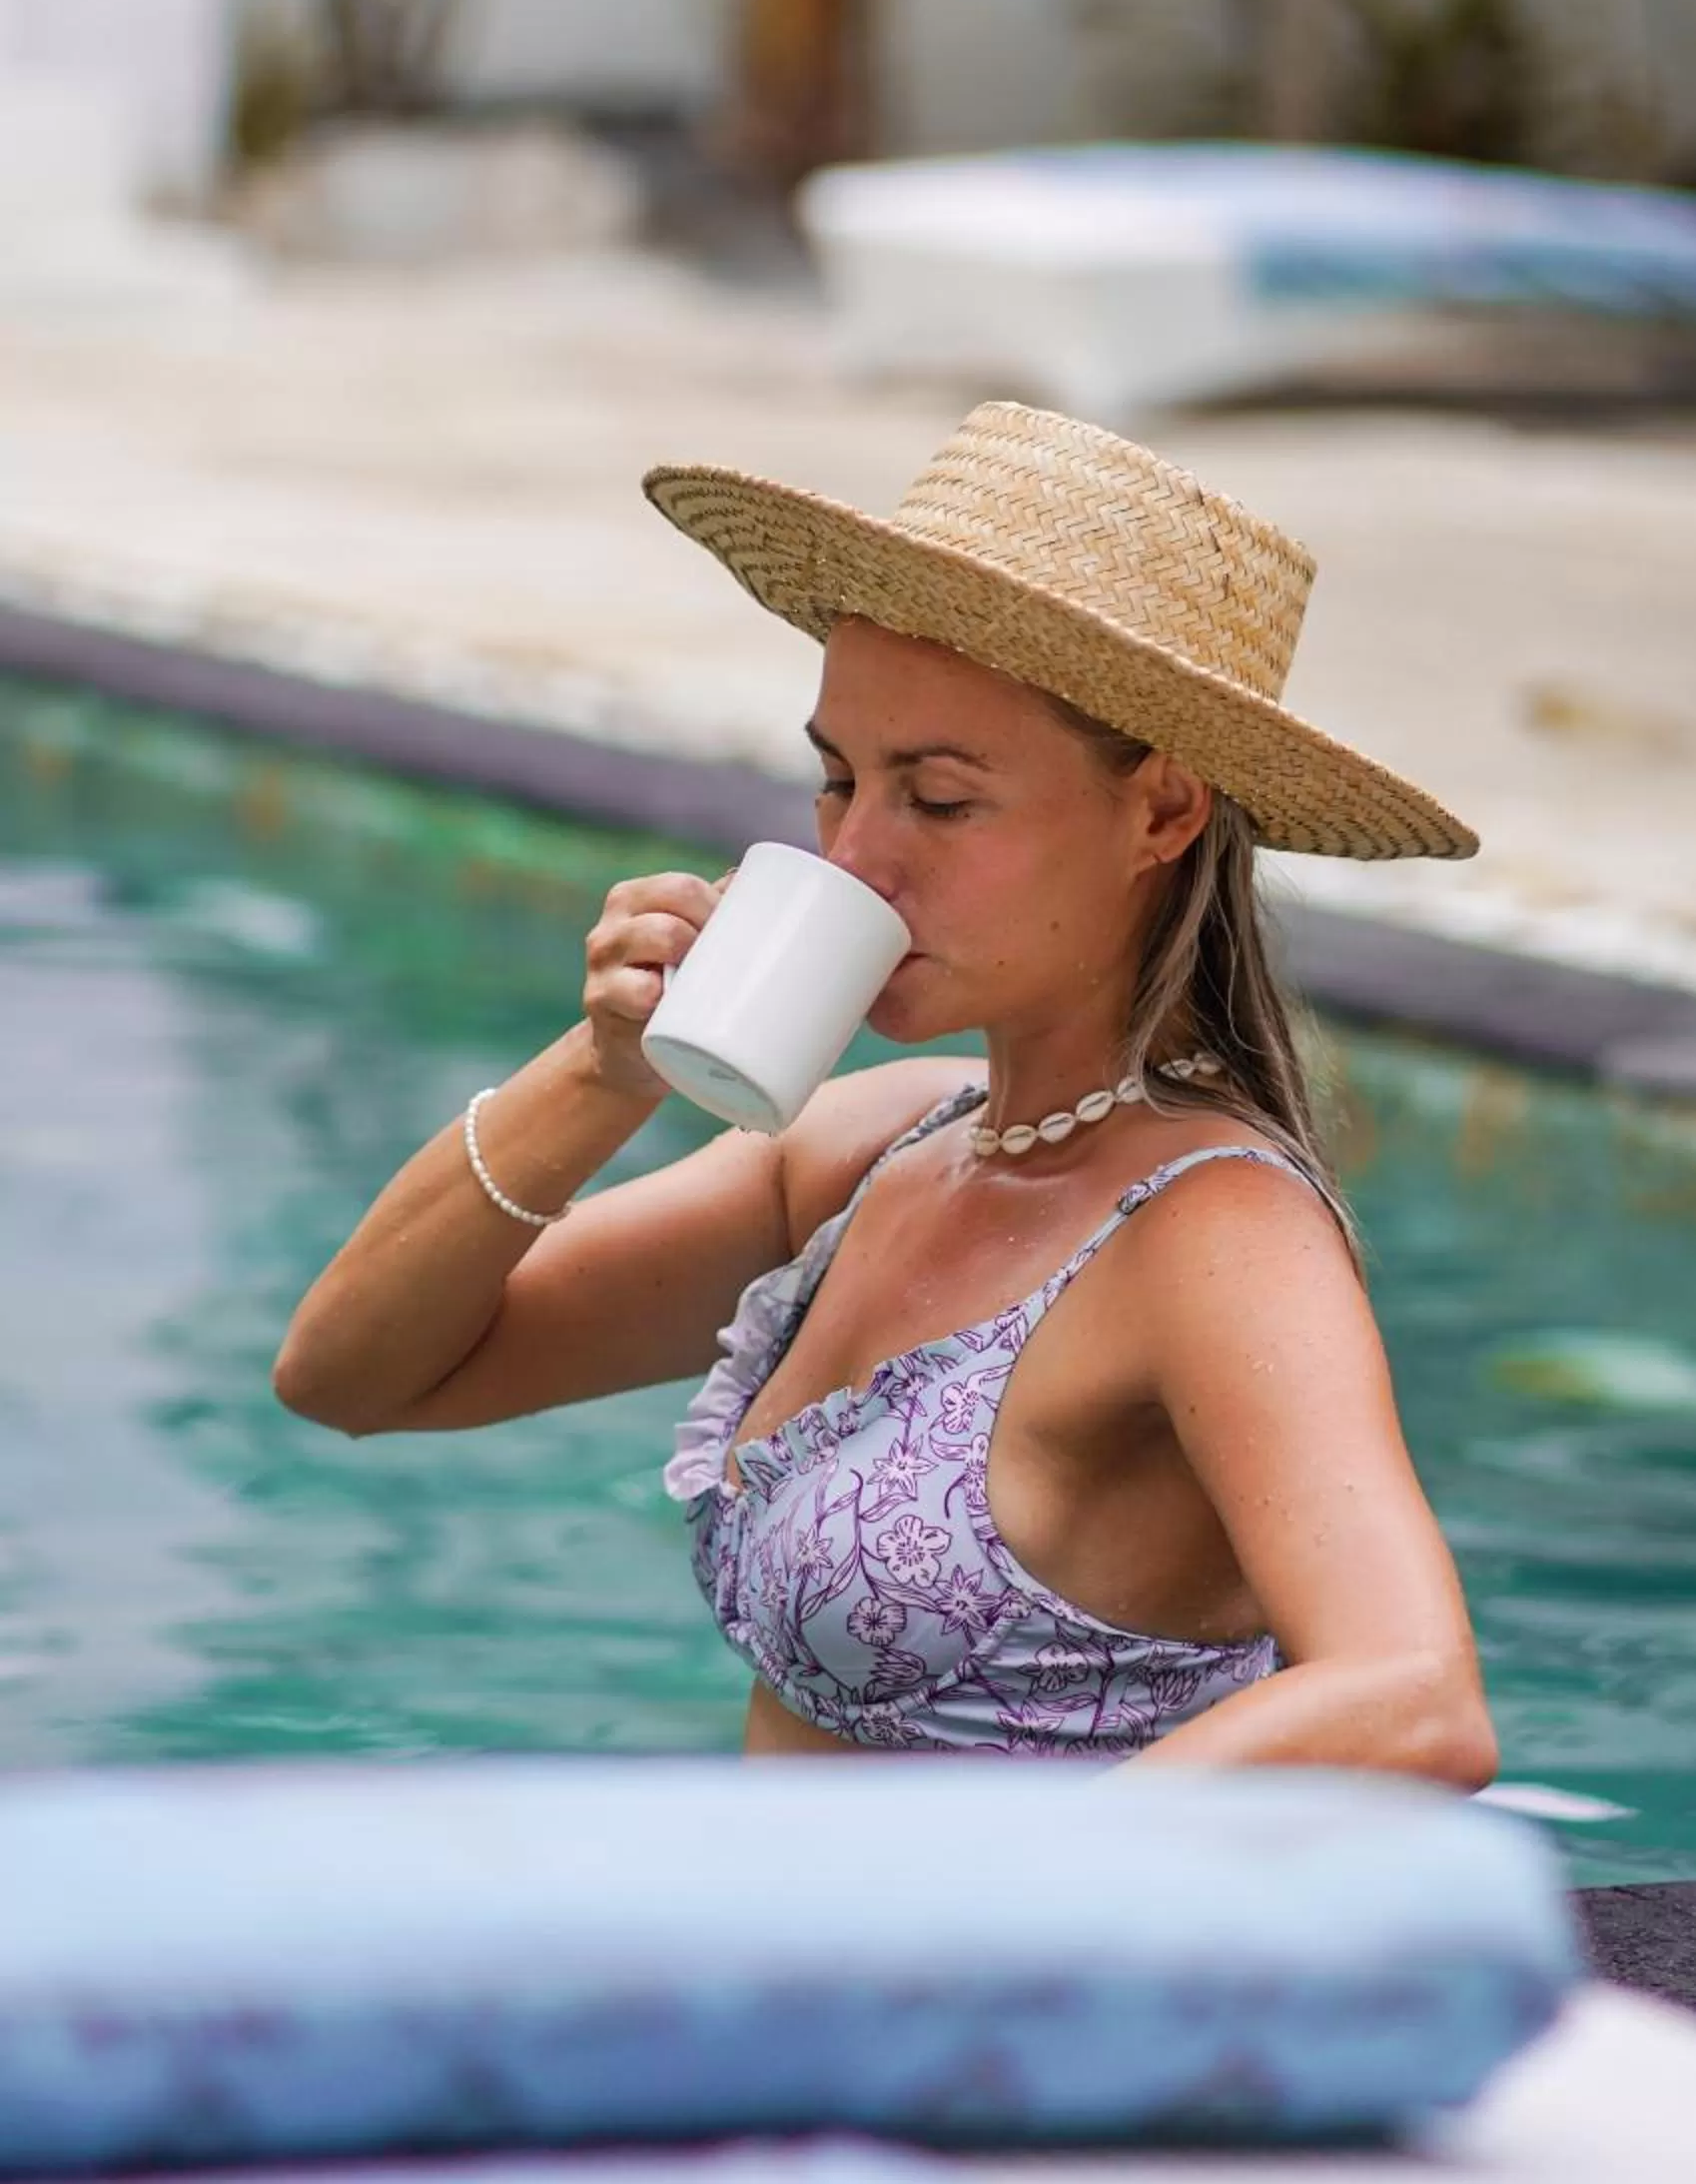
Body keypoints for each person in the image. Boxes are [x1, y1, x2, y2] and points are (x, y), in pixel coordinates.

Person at [275, 401, 1498, 1782]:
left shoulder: (1209, 1238)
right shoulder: (871, 1148)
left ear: (1159, 812)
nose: (854, 857)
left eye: (939, 798)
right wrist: (604, 1071)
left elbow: (1413, 1700)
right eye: (838, 779)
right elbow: (357, 1378)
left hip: (997, 1987)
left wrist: (968, 1917)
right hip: (790, 1972)